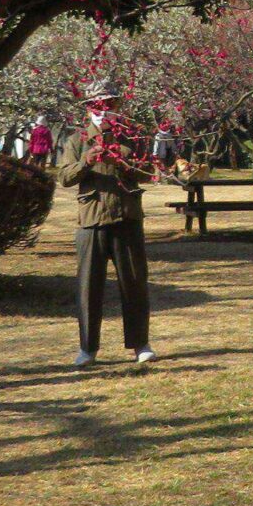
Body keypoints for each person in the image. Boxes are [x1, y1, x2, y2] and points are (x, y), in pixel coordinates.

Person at [59, 85, 154, 368]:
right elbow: (64, 177)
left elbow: (148, 172)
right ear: (89, 107)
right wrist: (86, 161)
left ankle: (140, 343)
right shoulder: (78, 139)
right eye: (97, 104)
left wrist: (121, 163)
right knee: (89, 288)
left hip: (127, 218)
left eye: (109, 103)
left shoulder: (133, 137)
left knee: (134, 284)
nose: (103, 109)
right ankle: (88, 348)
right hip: (91, 221)